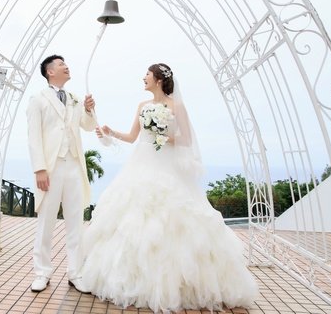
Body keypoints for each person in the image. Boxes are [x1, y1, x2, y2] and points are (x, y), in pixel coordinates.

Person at [81, 63, 259, 311]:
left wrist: (162, 136)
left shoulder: (177, 106)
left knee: (172, 216)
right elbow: (133, 138)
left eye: (147, 74)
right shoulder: (142, 106)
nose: (143, 77)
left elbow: (186, 139)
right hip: (141, 163)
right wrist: (111, 133)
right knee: (133, 216)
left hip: (167, 166)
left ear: (159, 79)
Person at [27, 54, 97, 293]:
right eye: (60, 64)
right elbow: (34, 136)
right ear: (50, 72)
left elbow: (88, 126)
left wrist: (89, 110)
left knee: (75, 222)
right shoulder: (38, 99)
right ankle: (41, 273)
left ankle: (75, 273)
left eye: (66, 63)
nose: (66, 66)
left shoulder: (74, 98)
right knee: (46, 222)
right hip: (51, 167)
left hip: (74, 165)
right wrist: (39, 169)